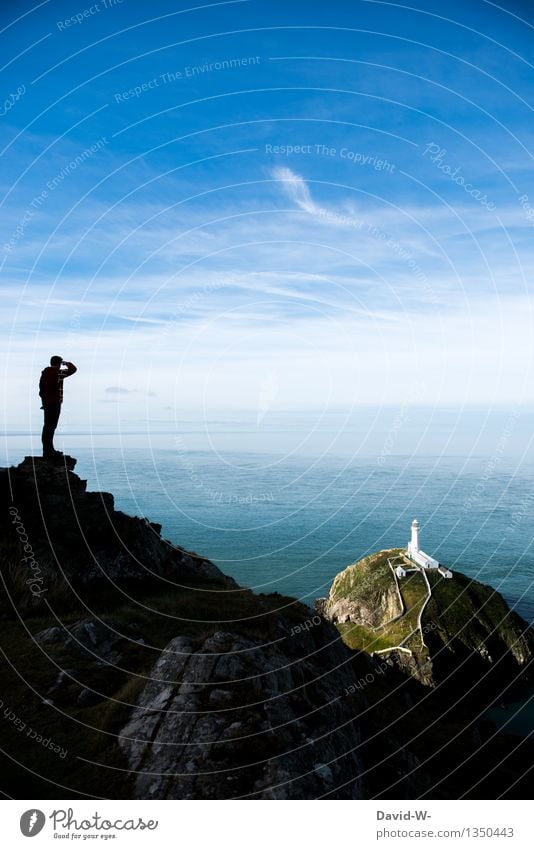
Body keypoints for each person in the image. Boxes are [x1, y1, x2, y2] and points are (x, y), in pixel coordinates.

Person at [39, 356, 77, 459]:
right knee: (51, 427)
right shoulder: (57, 373)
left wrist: (44, 402)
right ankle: (49, 451)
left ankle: (47, 451)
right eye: (60, 363)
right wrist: (66, 363)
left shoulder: (45, 374)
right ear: (59, 363)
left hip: (47, 404)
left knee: (47, 427)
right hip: (54, 403)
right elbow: (73, 369)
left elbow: (41, 390)